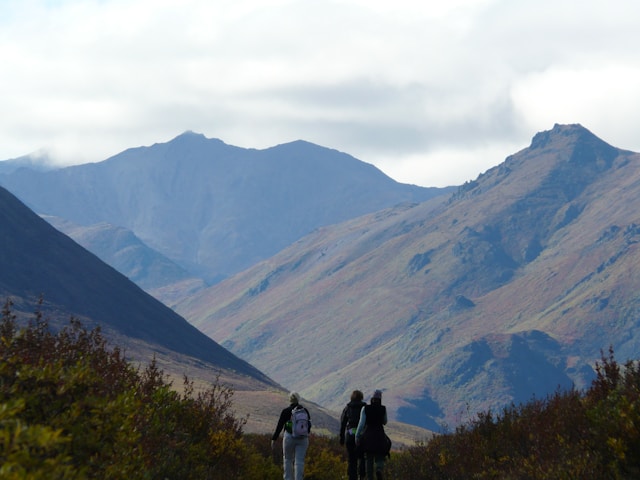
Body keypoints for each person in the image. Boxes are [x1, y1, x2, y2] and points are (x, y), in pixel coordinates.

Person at [271, 392, 311, 480]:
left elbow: (280, 425)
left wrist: (274, 439)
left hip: (289, 437)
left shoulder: (286, 411)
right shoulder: (305, 411)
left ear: (290, 400)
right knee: (299, 461)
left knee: (288, 459)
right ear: (298, 399)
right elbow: (308, 424)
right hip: (303, 438)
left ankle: (288, 478)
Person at [355, 389, 390, 480]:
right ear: (380, 398)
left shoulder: (365, 408)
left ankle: (370, 478)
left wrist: (357, 436)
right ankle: (379, 469)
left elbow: (361, 424)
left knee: (368, 459)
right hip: (379, 435)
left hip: (368, 436)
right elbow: (385, 422)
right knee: (380, 455)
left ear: (372, 398)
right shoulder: (383, 408)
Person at [340, 390, 367, 480]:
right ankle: (362, 476)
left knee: (352, 460)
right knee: (362, 457)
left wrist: (342, 438)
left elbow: (343, 423)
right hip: (362, 436)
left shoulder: (347, 408)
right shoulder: (365, 407)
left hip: (350, 435)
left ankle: (352, 477)